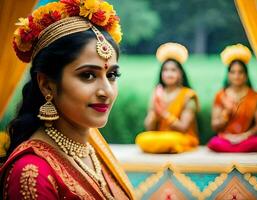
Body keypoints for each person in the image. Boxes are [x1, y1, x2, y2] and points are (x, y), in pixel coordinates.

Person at [0, 0, 135, 199]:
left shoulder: (92, 150)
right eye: (88, 75)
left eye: (112, 75)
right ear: (47, 84)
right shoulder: (32, 173)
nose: (106, 91)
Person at [136, 43, 200, 154]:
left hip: (182, 137)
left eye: (173, 70)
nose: (169, 74)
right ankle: (165, 148)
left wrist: (164, 114)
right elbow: (149, 127)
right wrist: (154, 112)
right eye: (165, 70)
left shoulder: (189, 95)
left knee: (170, 141)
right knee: (142, 139)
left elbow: (184, 127)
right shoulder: (156, 93)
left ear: (181, 73)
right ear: (161, 73)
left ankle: (167, 147)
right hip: (162, 136)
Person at [208, 44, 257, 153]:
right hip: (225, 138)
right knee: (214, 142)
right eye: (233, 72)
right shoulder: (220, 95)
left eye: (240, 72)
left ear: (246, 75)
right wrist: (226, 114)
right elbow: (214, 126)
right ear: (228, 75)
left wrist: (244, 136)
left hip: (245, 139)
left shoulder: (255, 96)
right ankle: (237, 149)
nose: (236, 76)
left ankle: (234, 149)